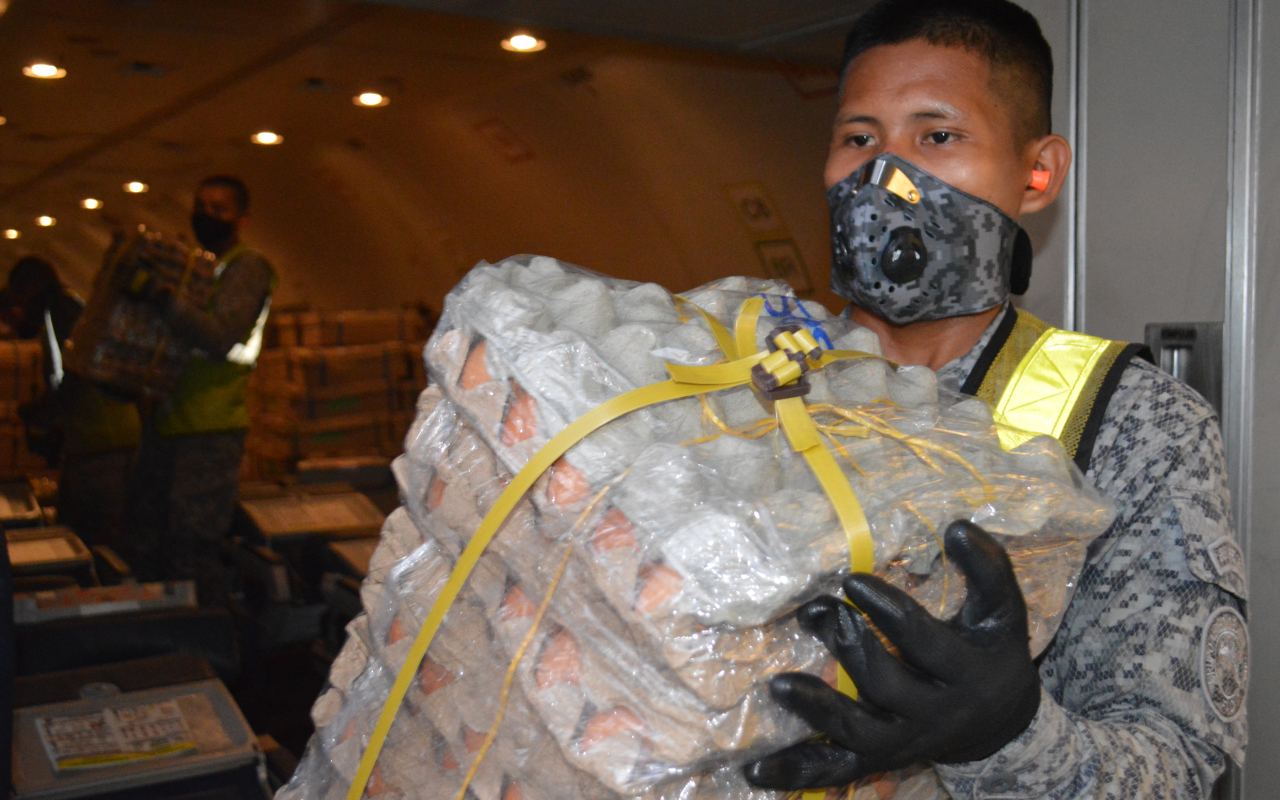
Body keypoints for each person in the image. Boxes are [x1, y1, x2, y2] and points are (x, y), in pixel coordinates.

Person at [743, 2, 1247, 798]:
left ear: (1037, 172)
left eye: (937, 136)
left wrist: (1004, 735)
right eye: (859, 138)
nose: (886, 175)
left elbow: (1177, 768)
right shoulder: (750, 380)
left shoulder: (1131, 422)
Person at [131, 175, 275, 606]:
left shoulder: (247, 268)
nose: (207, 216)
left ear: (241, 220)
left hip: (210, 429)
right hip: (168, 424)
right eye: (202, 206)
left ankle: (211, 647)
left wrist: (165, 301)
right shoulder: (197, 268)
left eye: (220, 209)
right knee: (149, 541)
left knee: (192, 548)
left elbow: (219, 336)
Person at [0, 256, 141, 549]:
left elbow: (72, 380)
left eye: (20, 298)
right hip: (109, 439)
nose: (21, 309)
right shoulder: (73, 307)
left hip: (98, 446)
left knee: (89, 541)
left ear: (31, 288)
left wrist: (39, 414)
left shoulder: (60, 313)